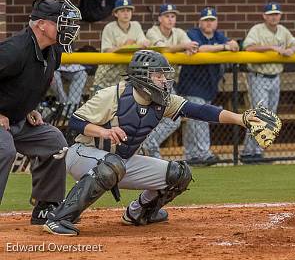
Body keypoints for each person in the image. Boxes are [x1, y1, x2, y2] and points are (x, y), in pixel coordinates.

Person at [42, 49, 280, 236]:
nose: (164, 80)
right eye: (159, 75)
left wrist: (240, 119)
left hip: (120, 161)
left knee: (179, 174)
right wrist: (103, 132)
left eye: (165, 75)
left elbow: (200, 110)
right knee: (111, 165)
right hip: (83, 154)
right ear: (143, 75)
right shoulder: (113, 94)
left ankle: (139, 213)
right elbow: (74, 121)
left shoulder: (163, 101)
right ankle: (59, 218)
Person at [0, 0, 81, 225]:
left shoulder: (54, 50)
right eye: (61, 22)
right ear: (42, 25)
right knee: (4, 149)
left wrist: (29, 109)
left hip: (16, 119)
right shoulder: (13, 50)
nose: (68, 28)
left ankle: (47, 206)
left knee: (54, 141)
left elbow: (28, 83)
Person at [143, 7, 238, 165]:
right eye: (167, 16)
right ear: (160, 18)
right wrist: (184, 47)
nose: (170, 19)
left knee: (174, 118)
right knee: (172, 119)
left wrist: (231, 43)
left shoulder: (180, 33)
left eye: (173, 16)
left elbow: (193, 47)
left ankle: (158, 149)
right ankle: (148, 145)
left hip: (168, 82)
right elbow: (164, 49)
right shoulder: (153, 32)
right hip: (148, 81)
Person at [242, 2, 295, 163]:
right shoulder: (257, 29)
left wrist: (291, 50)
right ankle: (250, 152)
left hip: (275, 77)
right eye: (271, 14)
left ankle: (255, 152)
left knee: (269, 117)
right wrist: (272, 48)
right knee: (259, 115)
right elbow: (248, 48)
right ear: (264, 16)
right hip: (259, 76)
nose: (274, 17)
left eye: (277, 14)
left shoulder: (283, 31)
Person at [93, 0, 150, 91]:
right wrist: (125, 46)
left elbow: (143, 42)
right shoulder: (109, 28)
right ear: (116, 13)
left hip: (124, 80)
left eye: (128, 10)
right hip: (105, 78)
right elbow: (107, 51)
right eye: (122, 10)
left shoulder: (136, 25)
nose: (126, 13)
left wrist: (144, 43)